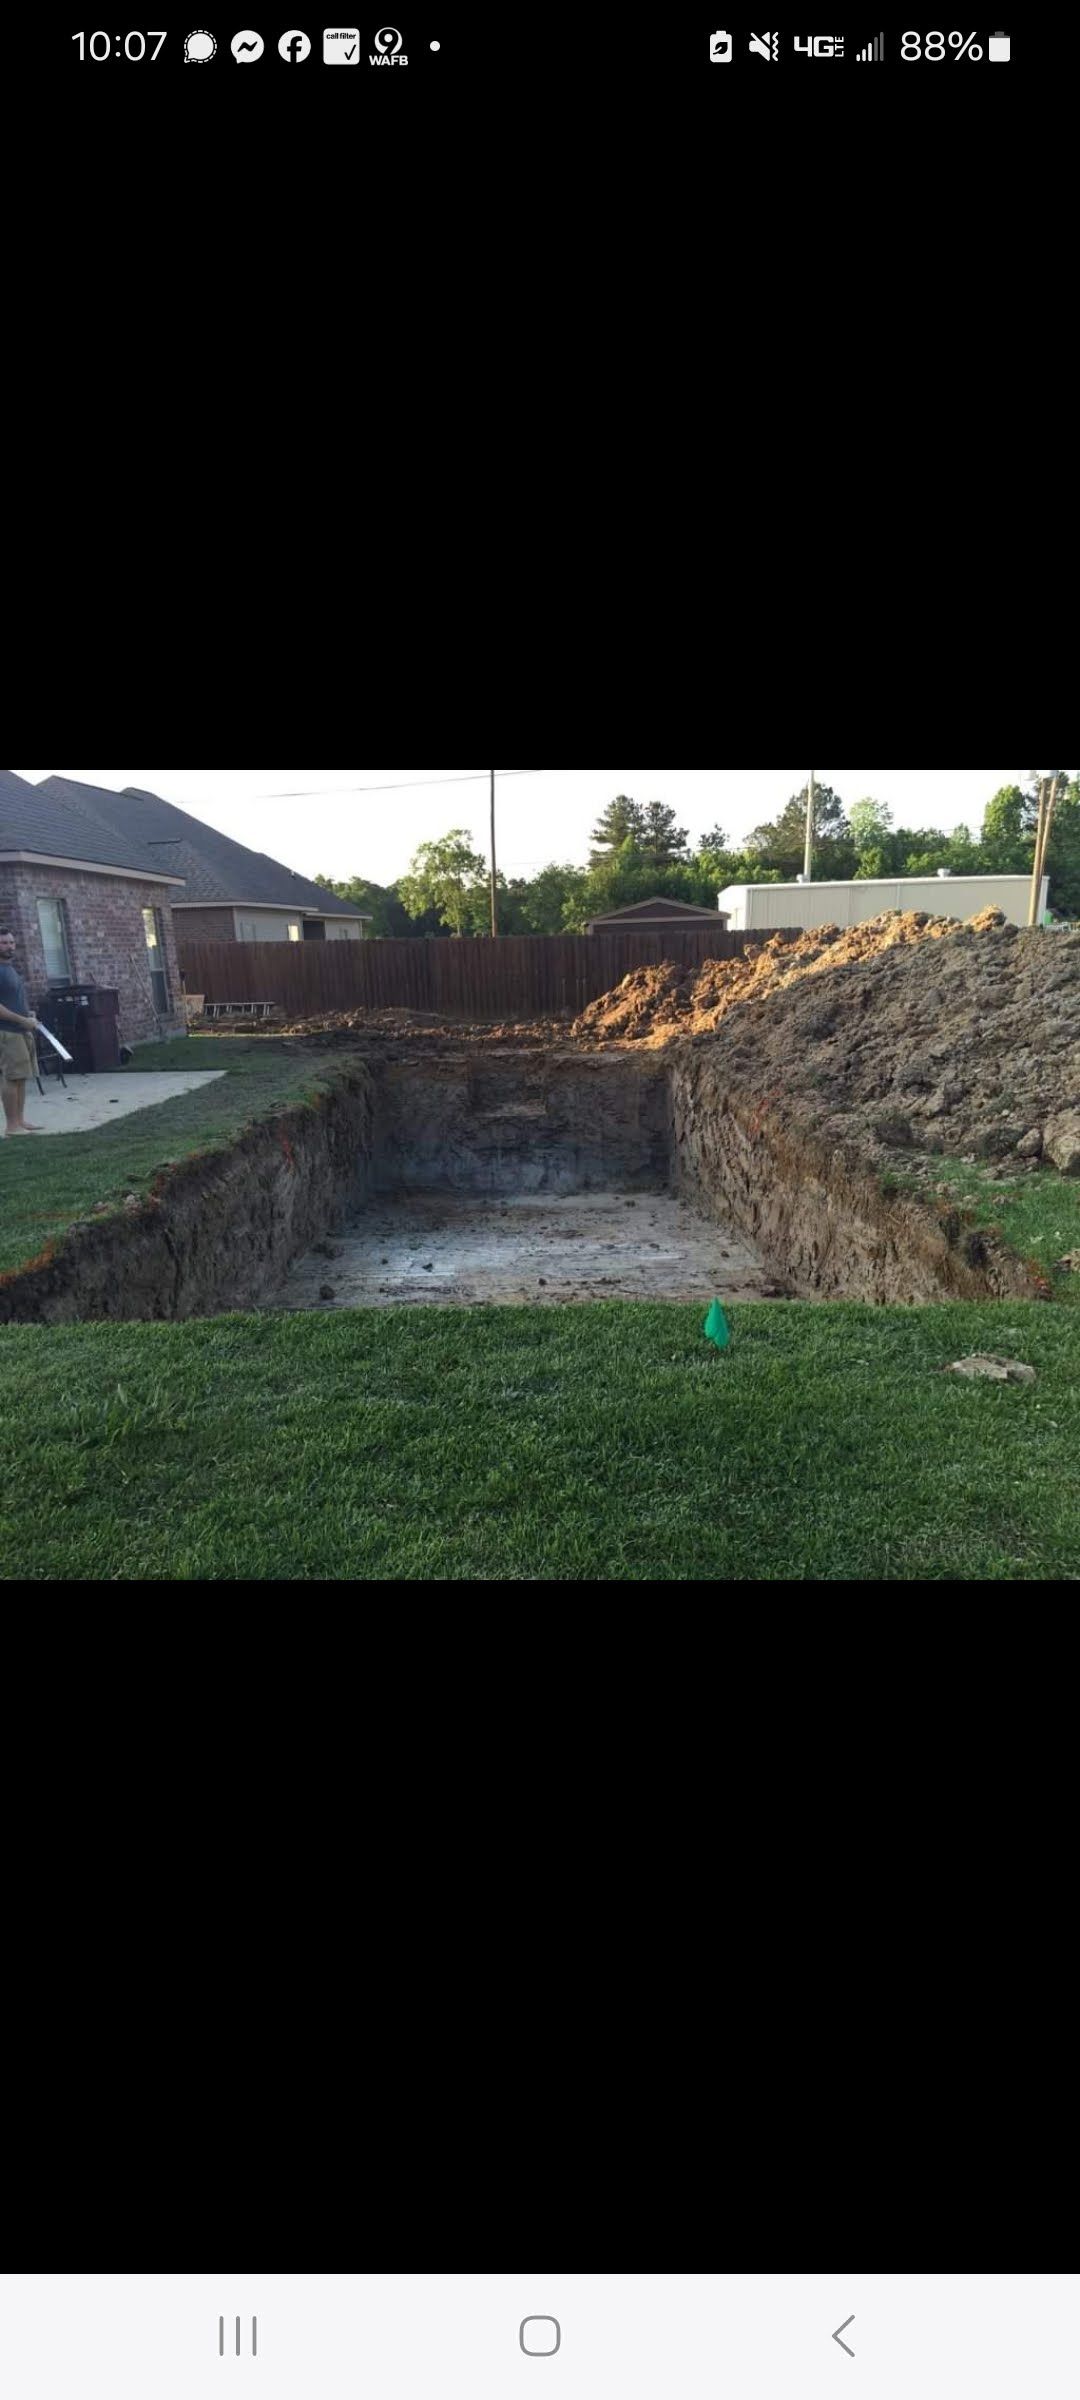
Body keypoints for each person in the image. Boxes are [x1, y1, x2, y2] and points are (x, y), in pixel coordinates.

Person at [0, 927, 43, 1134]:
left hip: (21, 1029)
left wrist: (29, 1014)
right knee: (11, 1077)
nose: (9, 946)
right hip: (7, 1032)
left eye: (11, 942)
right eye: (4, 943)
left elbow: (13, 999)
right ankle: (11, 1125)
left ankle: (20, 1121)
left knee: (22, 1077)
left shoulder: (9, 968)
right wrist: (21, 1020)